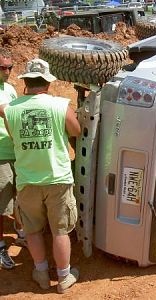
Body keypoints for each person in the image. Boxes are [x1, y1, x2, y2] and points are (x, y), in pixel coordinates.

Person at [0, 58, 81, 293]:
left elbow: (14, 138)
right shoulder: (59, 105)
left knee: (33, 230)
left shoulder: (11, 111)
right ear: (47, 83)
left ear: (25, 81)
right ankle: (64, 277)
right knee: (60, 230)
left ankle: (41, 272)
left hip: (27, 180)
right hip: (58, 178)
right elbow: (75, 130)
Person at [0, 48, 18, 269]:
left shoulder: (11, 88)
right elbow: (6, 112)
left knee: (20, 194)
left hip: (16, 150)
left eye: (10, 67)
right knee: (2, 202)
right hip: (0, 154)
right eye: (2, 68)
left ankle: (22, 232)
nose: (7, 71)